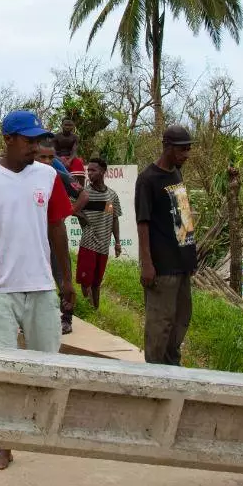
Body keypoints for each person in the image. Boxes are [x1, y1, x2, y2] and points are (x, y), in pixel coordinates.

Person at [0, 110, 76, 471]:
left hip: (42, 287)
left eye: (39, 139)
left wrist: (66, 281)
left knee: (48, 366)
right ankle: (4, 444)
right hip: (1, 290)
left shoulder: (48, 176)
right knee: (2, 370)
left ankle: (47, 432)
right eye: (29, 140)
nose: (36, 146)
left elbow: (57, 228)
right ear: (9, 139)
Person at [135, 124, 196, 365]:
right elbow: (143, 224)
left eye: (188, 150)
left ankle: (173, 369)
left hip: (182, 264)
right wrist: (147, 264)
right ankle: (154, 374)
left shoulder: (176, 175)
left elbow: (182, 216)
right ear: (167, 147)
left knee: (181, 320)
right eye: (182, 150)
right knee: (160, 323)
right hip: (162, 267)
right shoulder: (147, 180)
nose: (186, 155)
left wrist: (191, 255)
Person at [72, 157, 122, 331]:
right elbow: (73, 210)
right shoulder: (84, 193)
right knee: (85, 281)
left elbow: (114, 218)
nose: (89, 173)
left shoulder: (112, 195)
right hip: (88, 242)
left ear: (102, 172)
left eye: (93, 170)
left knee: (97, 282)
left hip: (103, 244)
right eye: (88, 170)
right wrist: (84, 219)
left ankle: (95, 310)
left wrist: (117, 242)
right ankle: (86, 313)